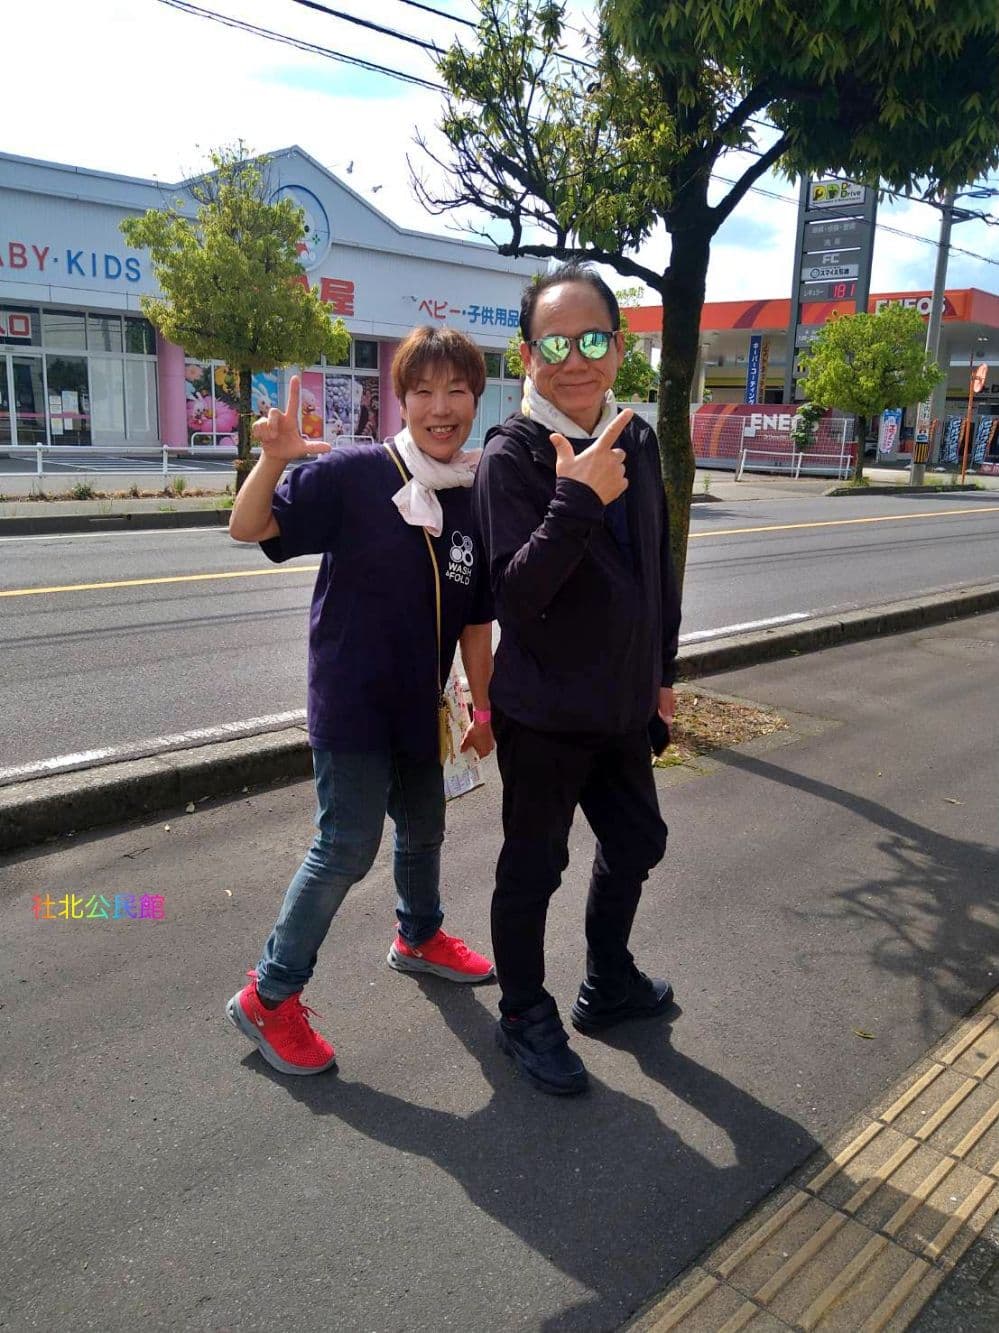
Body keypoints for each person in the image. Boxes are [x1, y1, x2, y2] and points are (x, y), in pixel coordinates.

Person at [226, 327, 496, 1076]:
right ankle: (269, 995)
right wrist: (274, 458)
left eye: (456, 391)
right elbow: (248, 526)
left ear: (475, 400)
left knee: (425, 825)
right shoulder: (353, 475)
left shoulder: (474, 494)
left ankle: (419, 935)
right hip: (352, 705)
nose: (440, 408)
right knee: (346, 846)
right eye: (423, 391)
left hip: (423, 706)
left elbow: (477, 618)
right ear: (401, 400)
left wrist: (483, 709)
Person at [472, 263, 682, 1096]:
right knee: (533, 867)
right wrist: (575, 499)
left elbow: (658, 563)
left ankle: (607, 980)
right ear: (527, 355)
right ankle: (523, 1011)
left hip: (623, 703)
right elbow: (514, 596)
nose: (575, 359)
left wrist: (663, 672)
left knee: (636, 841)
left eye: (592, 339)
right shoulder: (511, 454)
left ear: (618, 348)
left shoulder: (638, 437)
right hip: (544, 713)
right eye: (554, 344)